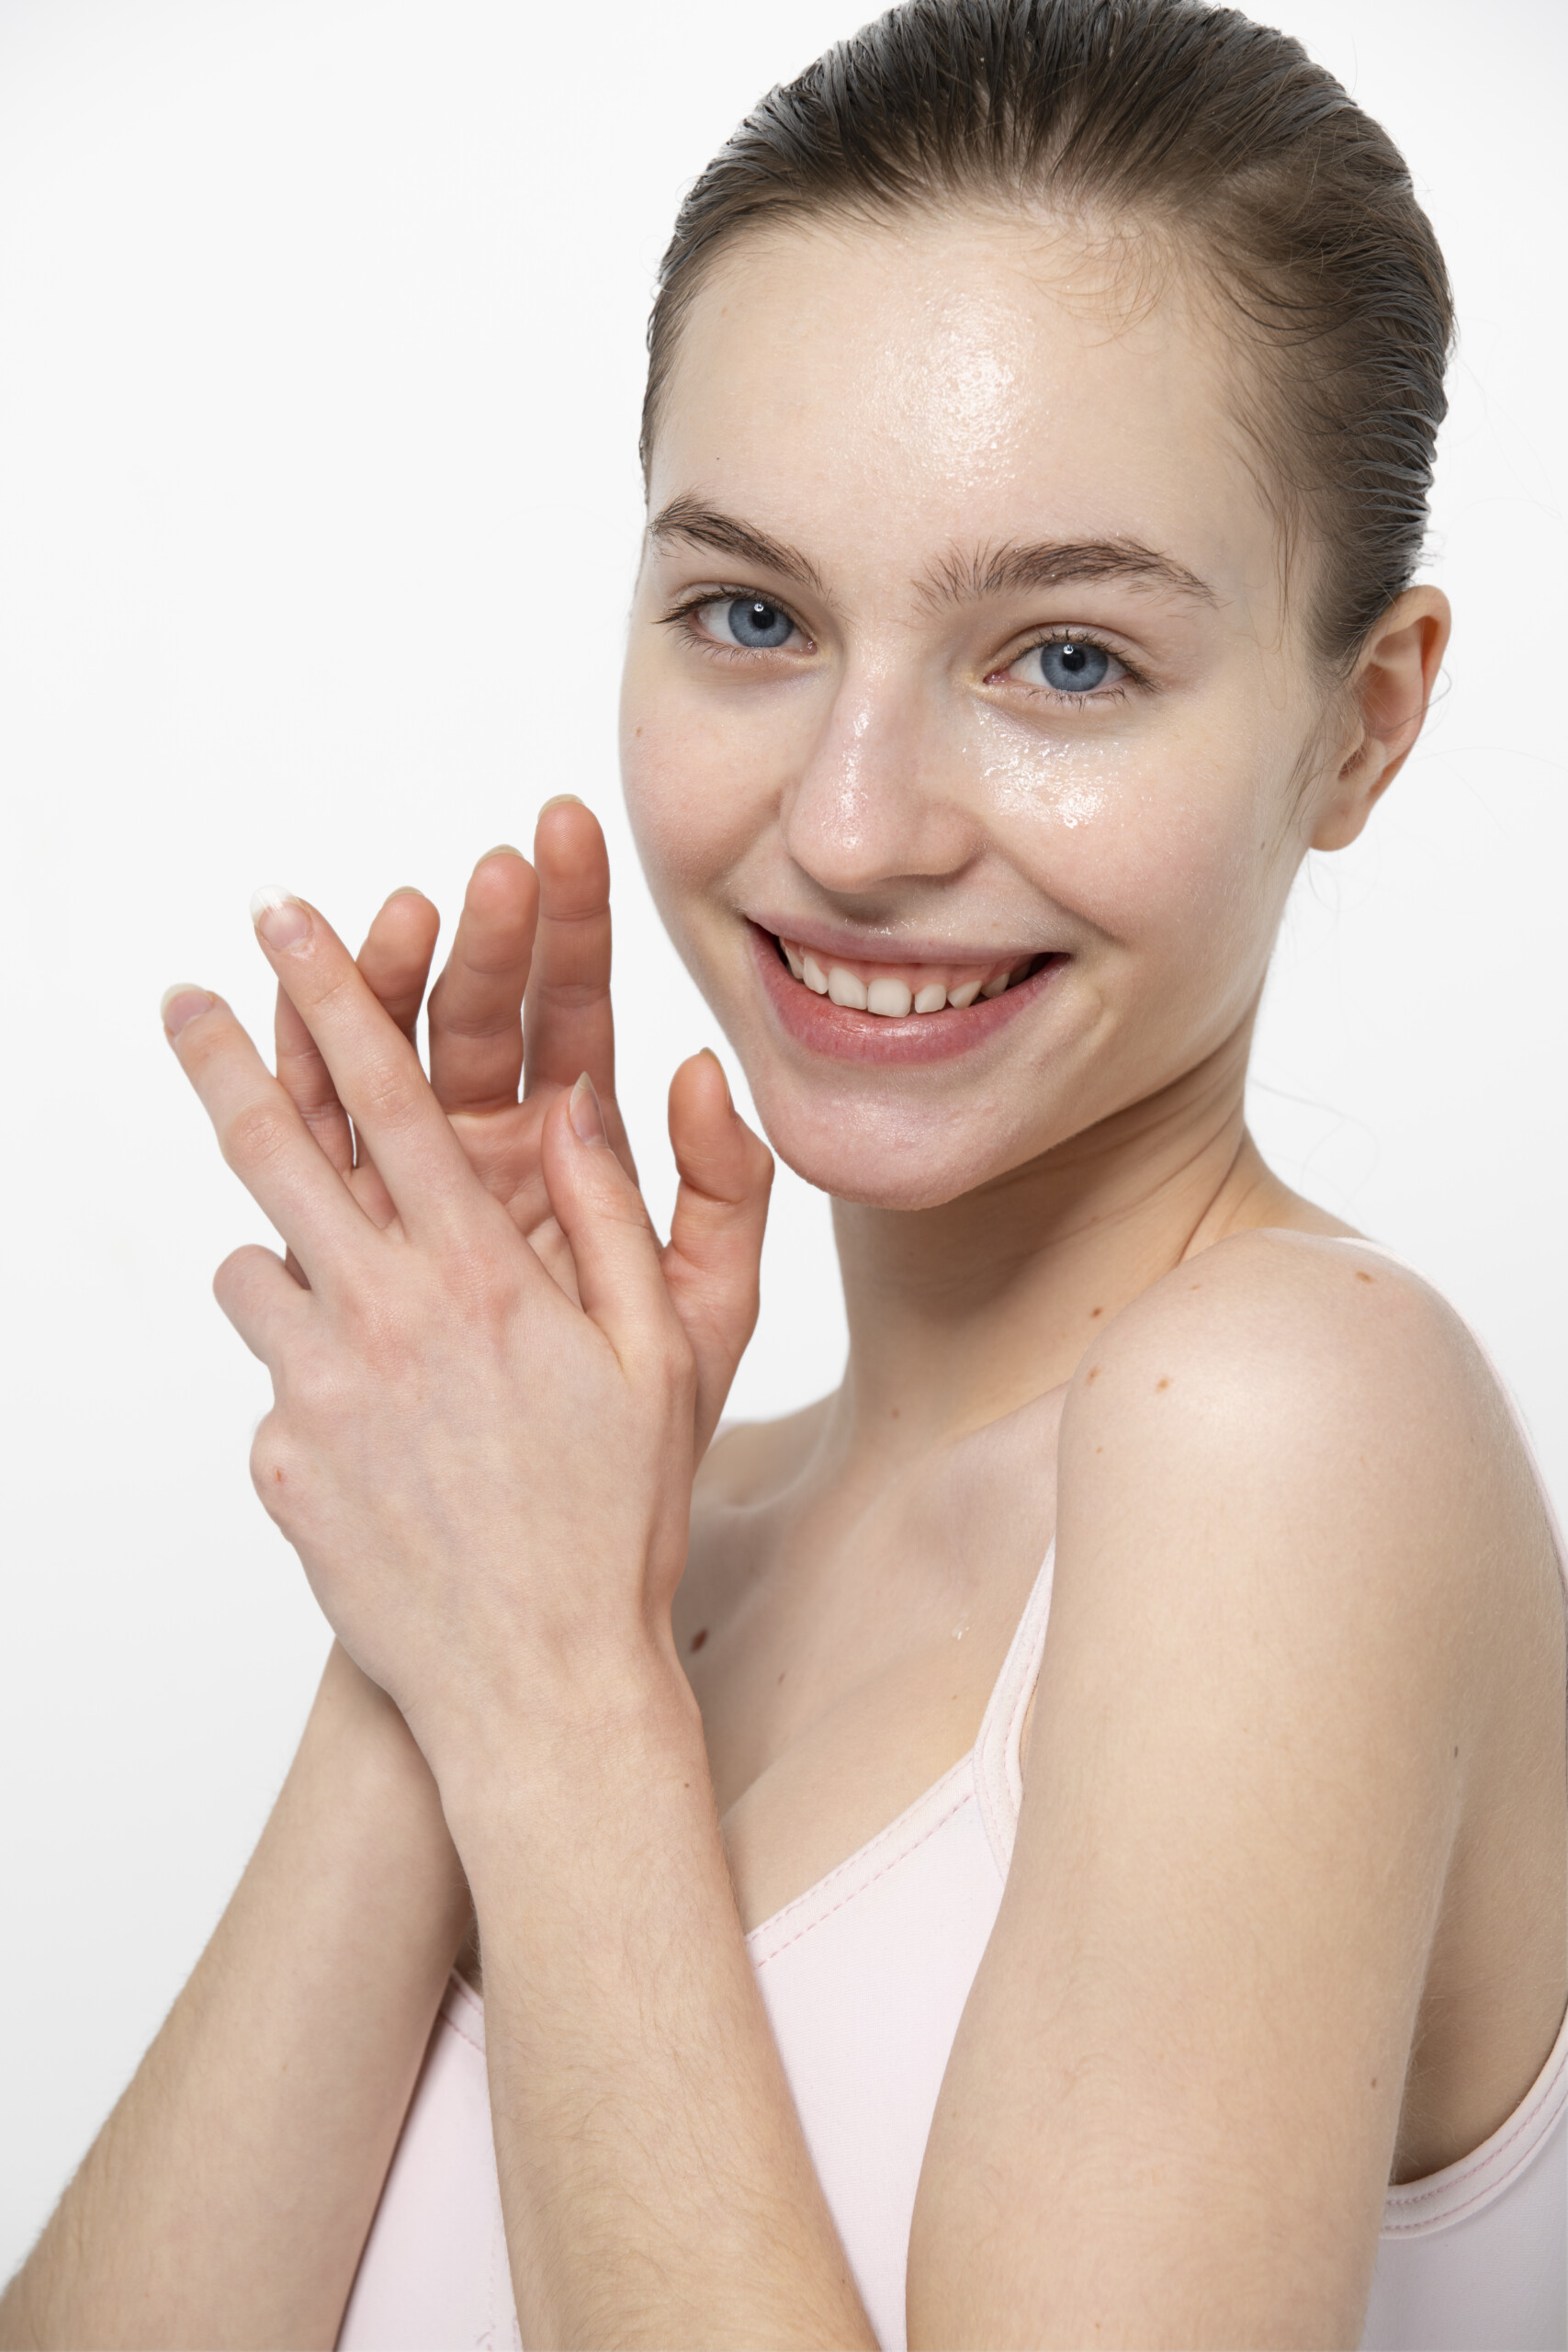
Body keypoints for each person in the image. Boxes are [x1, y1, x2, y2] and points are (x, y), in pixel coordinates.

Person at [4, 0, 1564, 2344]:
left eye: (1061, 657)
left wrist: (541, 1686)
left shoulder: (1280, 1424)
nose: (847, 825)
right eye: (751, 614)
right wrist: (446, 1571)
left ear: (1362, 719)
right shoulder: (647, 1516)